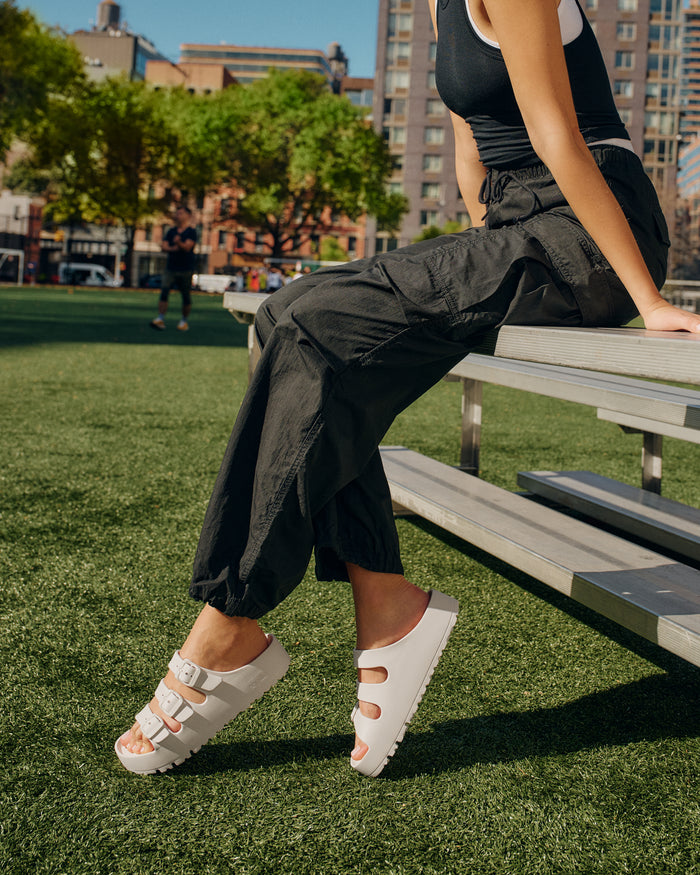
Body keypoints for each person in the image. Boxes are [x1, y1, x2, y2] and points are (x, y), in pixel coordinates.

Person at [116, 0, 700, 779]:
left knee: (316, 322)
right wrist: (470, 264)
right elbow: (472, 152)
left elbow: (558, 134)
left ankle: (231, 619)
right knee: (285, 317)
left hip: (592, 227)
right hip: (516, 221)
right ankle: (384, 595)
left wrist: (649, 299)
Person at [150, 205, 197, 332]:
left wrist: (177, 243)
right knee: (164, 292)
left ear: (188, 215)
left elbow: (187, 247)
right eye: (177, 213)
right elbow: (164, 246)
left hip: (186, 268)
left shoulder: (191, 232)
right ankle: (160, 318)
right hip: (171, 267)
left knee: (186, 295)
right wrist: (177, 246)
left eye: (181, 213)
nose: (178, 215)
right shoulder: (171, 231)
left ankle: (183, 321)